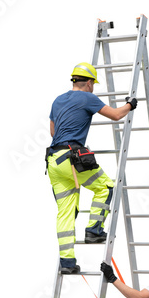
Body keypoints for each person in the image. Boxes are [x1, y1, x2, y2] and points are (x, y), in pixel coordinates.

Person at [47, 62, 137, 274]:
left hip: (53, 161)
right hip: (71, 159)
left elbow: (53, 132)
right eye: (93, 84)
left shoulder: (58, 100)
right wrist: (130, 105)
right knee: (105, 187)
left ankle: (67, 263)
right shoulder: (88, 97)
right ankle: (94, 230)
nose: (93, 87)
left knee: (66, 212)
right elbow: (116, 115)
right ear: (88, 83)